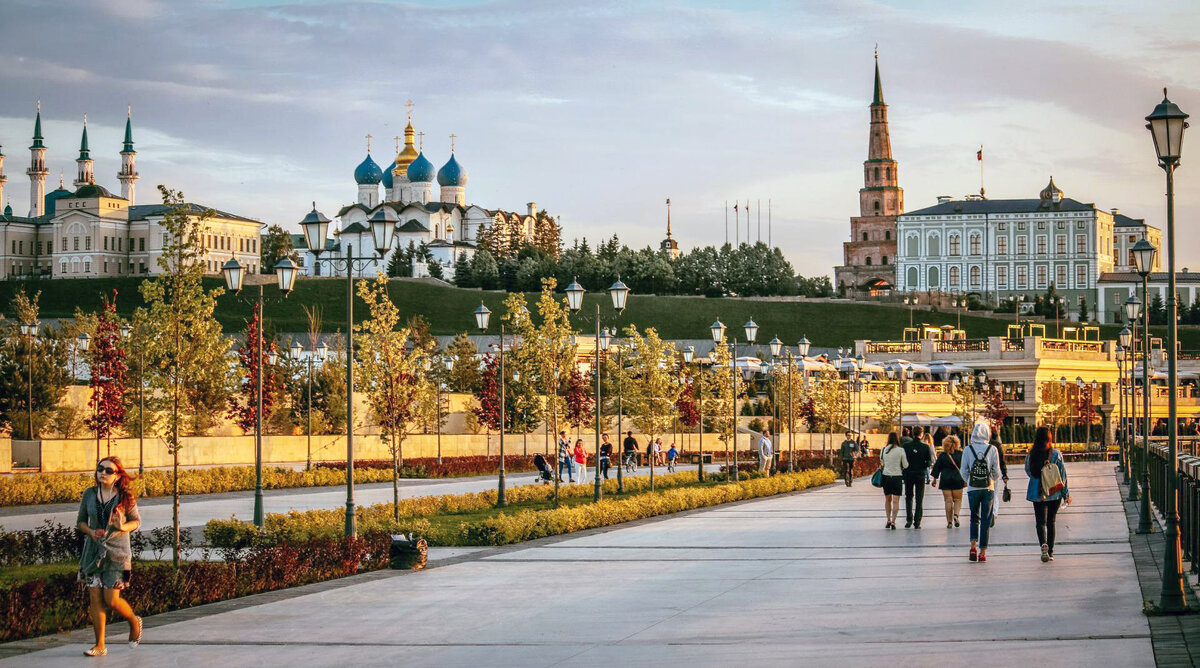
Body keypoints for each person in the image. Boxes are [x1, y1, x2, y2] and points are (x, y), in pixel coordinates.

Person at [77, 456, 143, 657]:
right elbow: (80, 522)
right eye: (100, 469)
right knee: (95, 599)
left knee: (111, 599)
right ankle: (99, 645)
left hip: (118, 554)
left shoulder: (125, 496)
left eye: (108, 471)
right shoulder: (89, 494)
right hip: (93, 553)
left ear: (117, 476)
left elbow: (136, 522)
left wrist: (122, 526)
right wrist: (91, 532)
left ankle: (133, 620)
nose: (103, 473)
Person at [1026, 426, 1071, 562]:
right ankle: (1050, 551)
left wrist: (1039, 478)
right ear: (1049, 438)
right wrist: (1066, 494)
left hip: (1037, 492)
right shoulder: (1056, 454)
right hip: (1054, 492)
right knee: (1051, 521)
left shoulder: (1031, 454)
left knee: (1040, 522)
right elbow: (1062, 475)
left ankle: (1043, 546)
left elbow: (1028, 470)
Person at [959, 422, 1002, 562]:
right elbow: (996, 472)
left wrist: (970, 480)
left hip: (973, 489)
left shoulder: (967, 449)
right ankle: (983, 552)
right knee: (985, 520)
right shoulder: (992, 449)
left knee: (974, 517)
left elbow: (963, 471)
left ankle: (973, 546)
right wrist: (991, 480)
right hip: (988, 488)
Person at [902, 425, 934, 529]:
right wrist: (922, 466)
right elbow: (929, 462)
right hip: (920, 474)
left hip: (908, 474)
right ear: (921, 434)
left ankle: (909, 520)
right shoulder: (925, 447)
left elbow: (903, 461)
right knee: (919, 499)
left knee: (908, 497)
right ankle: (917, 522)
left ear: (912, 433)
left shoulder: (906, 446)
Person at [930, 434, 965, 528]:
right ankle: (956, 515)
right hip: (958, 479)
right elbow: (965, 468)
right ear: (957, 443)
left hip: (945, 479)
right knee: (957, 500)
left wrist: (934, 480)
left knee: (948, 501)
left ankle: (949, 522)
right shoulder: (960, 454)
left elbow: (937, 468)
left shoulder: (942, 456)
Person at [881, 433, 908, 530]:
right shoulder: (901, 450)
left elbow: (882, 463)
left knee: (887, 500)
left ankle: (888, 519)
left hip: (886, 476)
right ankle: (893, 521)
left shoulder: (884, 450)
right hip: (897, 477)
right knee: (896, 501)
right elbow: (905, 465)